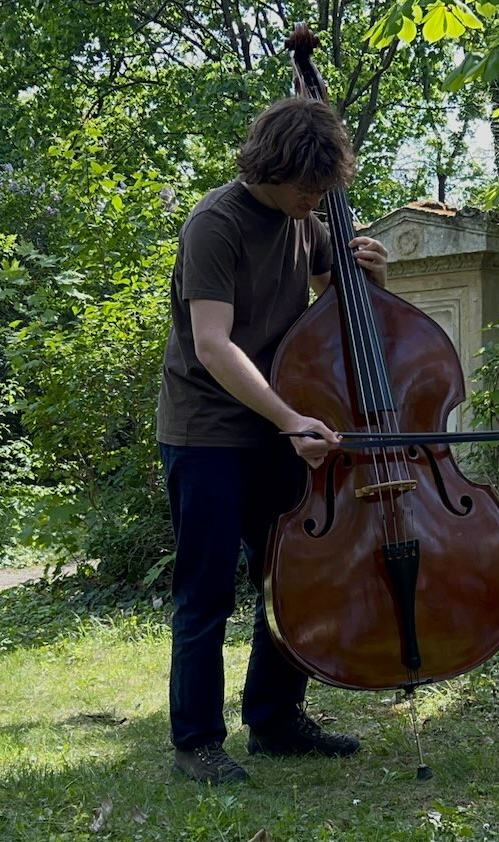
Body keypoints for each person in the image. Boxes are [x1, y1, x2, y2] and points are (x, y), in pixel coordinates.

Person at [157, 95, 389, 784]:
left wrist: (370, 280)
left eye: (323, 191)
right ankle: (196, 741)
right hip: (207, 430)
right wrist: (290, 418)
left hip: (279, 424)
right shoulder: (215, 223)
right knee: (205, 592)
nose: (314, 201)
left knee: (290, 579)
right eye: (307, 188)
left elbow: (333, 306)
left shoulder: (305, 218)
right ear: (273, 167)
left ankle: (275, 720)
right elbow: (212, 345)